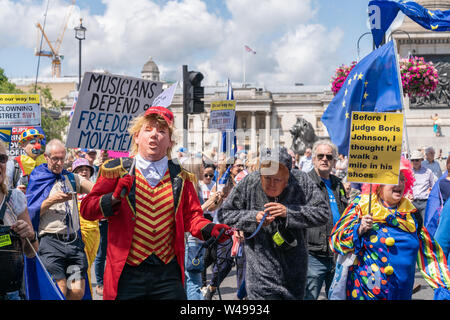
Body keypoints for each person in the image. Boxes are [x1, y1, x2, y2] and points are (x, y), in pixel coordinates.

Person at [80, 106, 232, 300]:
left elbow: (192, 217)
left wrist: (211, 228)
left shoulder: (181, 176)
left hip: (167, 273)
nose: (154, 135)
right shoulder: (115, 170)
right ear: (136, 136)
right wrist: (114, 199)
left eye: (161, 131)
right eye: (148, 129)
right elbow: (87, 209)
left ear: (170, 141)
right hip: (127, 272)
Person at [329, 157, 450, 300]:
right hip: (365, 293)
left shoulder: (411, 214)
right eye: (393, 179)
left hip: (400, 294)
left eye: (403, 179)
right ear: (379, 184)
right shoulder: (361, 206)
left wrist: (443, 286)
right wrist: (359, 229)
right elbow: (334, 242)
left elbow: (429, 254)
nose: (399, 183)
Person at [218, 147, 329, 299]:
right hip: (260, 275)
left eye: (277, 179)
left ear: (288, 176)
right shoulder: (250, 181)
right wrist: (253, 218)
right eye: (267, 177)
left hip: (294, 275)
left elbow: (322, 213)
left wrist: (289, 212)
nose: (271, 183)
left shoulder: (302, 181)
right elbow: (225, 213)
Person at [25, 139, 94, 300]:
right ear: (46, 157)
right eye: (55, 158)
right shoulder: (38, 177)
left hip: (73, 243)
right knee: (59, 290)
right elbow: (30, 212)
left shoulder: (70, 177)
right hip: (51, 242)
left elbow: (93, 188)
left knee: (77, 291)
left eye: (62, 158)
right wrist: (51, 201)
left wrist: (110, 182)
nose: (59, 162)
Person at [305, 140, 348, 300]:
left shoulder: (338, 183)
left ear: (334, 161)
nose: (325, 159)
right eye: (320, 156)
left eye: (329, 157)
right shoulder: (304, 183)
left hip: (338, 254)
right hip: (313, 255)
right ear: (313, 159)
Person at [0, 142, 39, 300]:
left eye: (2, 158)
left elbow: (31, 252)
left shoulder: (15, 199)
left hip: (11, 292)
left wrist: (29, 236)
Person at [72, 158, 100, 296]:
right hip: (72, 235)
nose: (83, 171)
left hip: (90, 233)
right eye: (80, 169)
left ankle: (86, 295)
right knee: (76, 269)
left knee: (84, 267)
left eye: (86, 169)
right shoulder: (68, 189)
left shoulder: (96, 189)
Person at [7, 128, 46, 192]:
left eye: (39, 142)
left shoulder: (45, 163)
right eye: (33, 142)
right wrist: (16, 192)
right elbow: (4, 189)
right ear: (23, 145)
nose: (37, 146)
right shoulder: (14, 164)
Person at [93, 150, 110, 297]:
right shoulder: (95, 176)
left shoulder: (116, 174)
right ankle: (100, 282)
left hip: (115, 221)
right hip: (101, 222)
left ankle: (112, 281)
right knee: (101, 253)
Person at [410, 150, 437, 219]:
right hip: (412, 202)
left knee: (424, 226)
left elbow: (433, 186)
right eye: (413, 160)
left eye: (416, 160)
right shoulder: (409, 172)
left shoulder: (428, 172)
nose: (414, 162)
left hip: (425, 202)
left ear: (421, 160)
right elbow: (405, 186)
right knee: (413, 225)